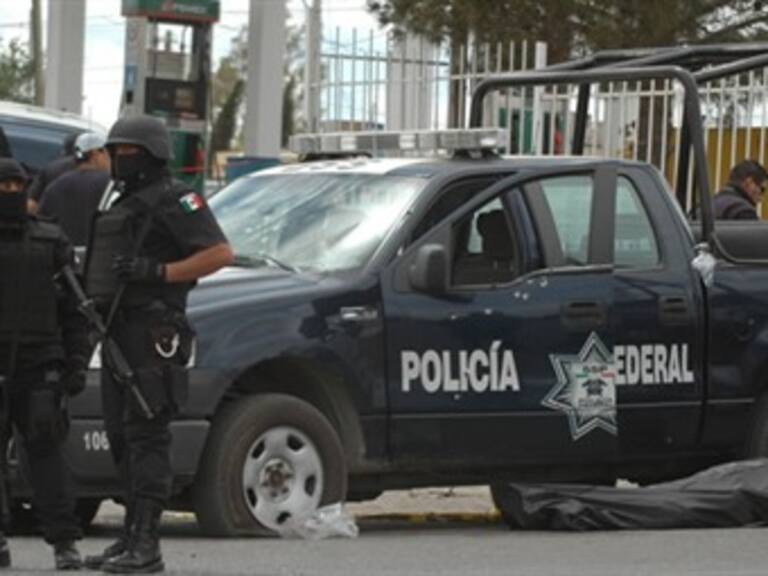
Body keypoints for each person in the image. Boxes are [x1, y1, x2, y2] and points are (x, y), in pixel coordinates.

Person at [83, 115, 233, 574]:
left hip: (152, 333)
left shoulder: (177, 198)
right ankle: (130, 536)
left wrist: (158, 273)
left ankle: (147, 545)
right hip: (115, 330)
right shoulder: (124, 198)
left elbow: (219, 253)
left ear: (150, 155)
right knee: (122, 436)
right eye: (114, 150)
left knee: (147, 436)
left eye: (126, 151)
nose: (118, 159)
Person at [0, 158, 90, 570]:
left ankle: (64, 542)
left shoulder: (51, 241)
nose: (11, 192)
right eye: (3, 186)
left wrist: (75, 361)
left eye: (17, 185)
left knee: (46, 451)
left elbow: (75, 309)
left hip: (40, 364)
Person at [38, 132, 111, 246]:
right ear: (96, 154)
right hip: (97, 256)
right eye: (108, 153)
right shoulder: (110, 185)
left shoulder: (55, 186)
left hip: (62, 256)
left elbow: (41, 223)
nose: (110, 159)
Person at [26, 132, 79, 214]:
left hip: (48, 221)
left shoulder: (50, 168)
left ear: (64, 149)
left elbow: (32, 204)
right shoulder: (94, 169)